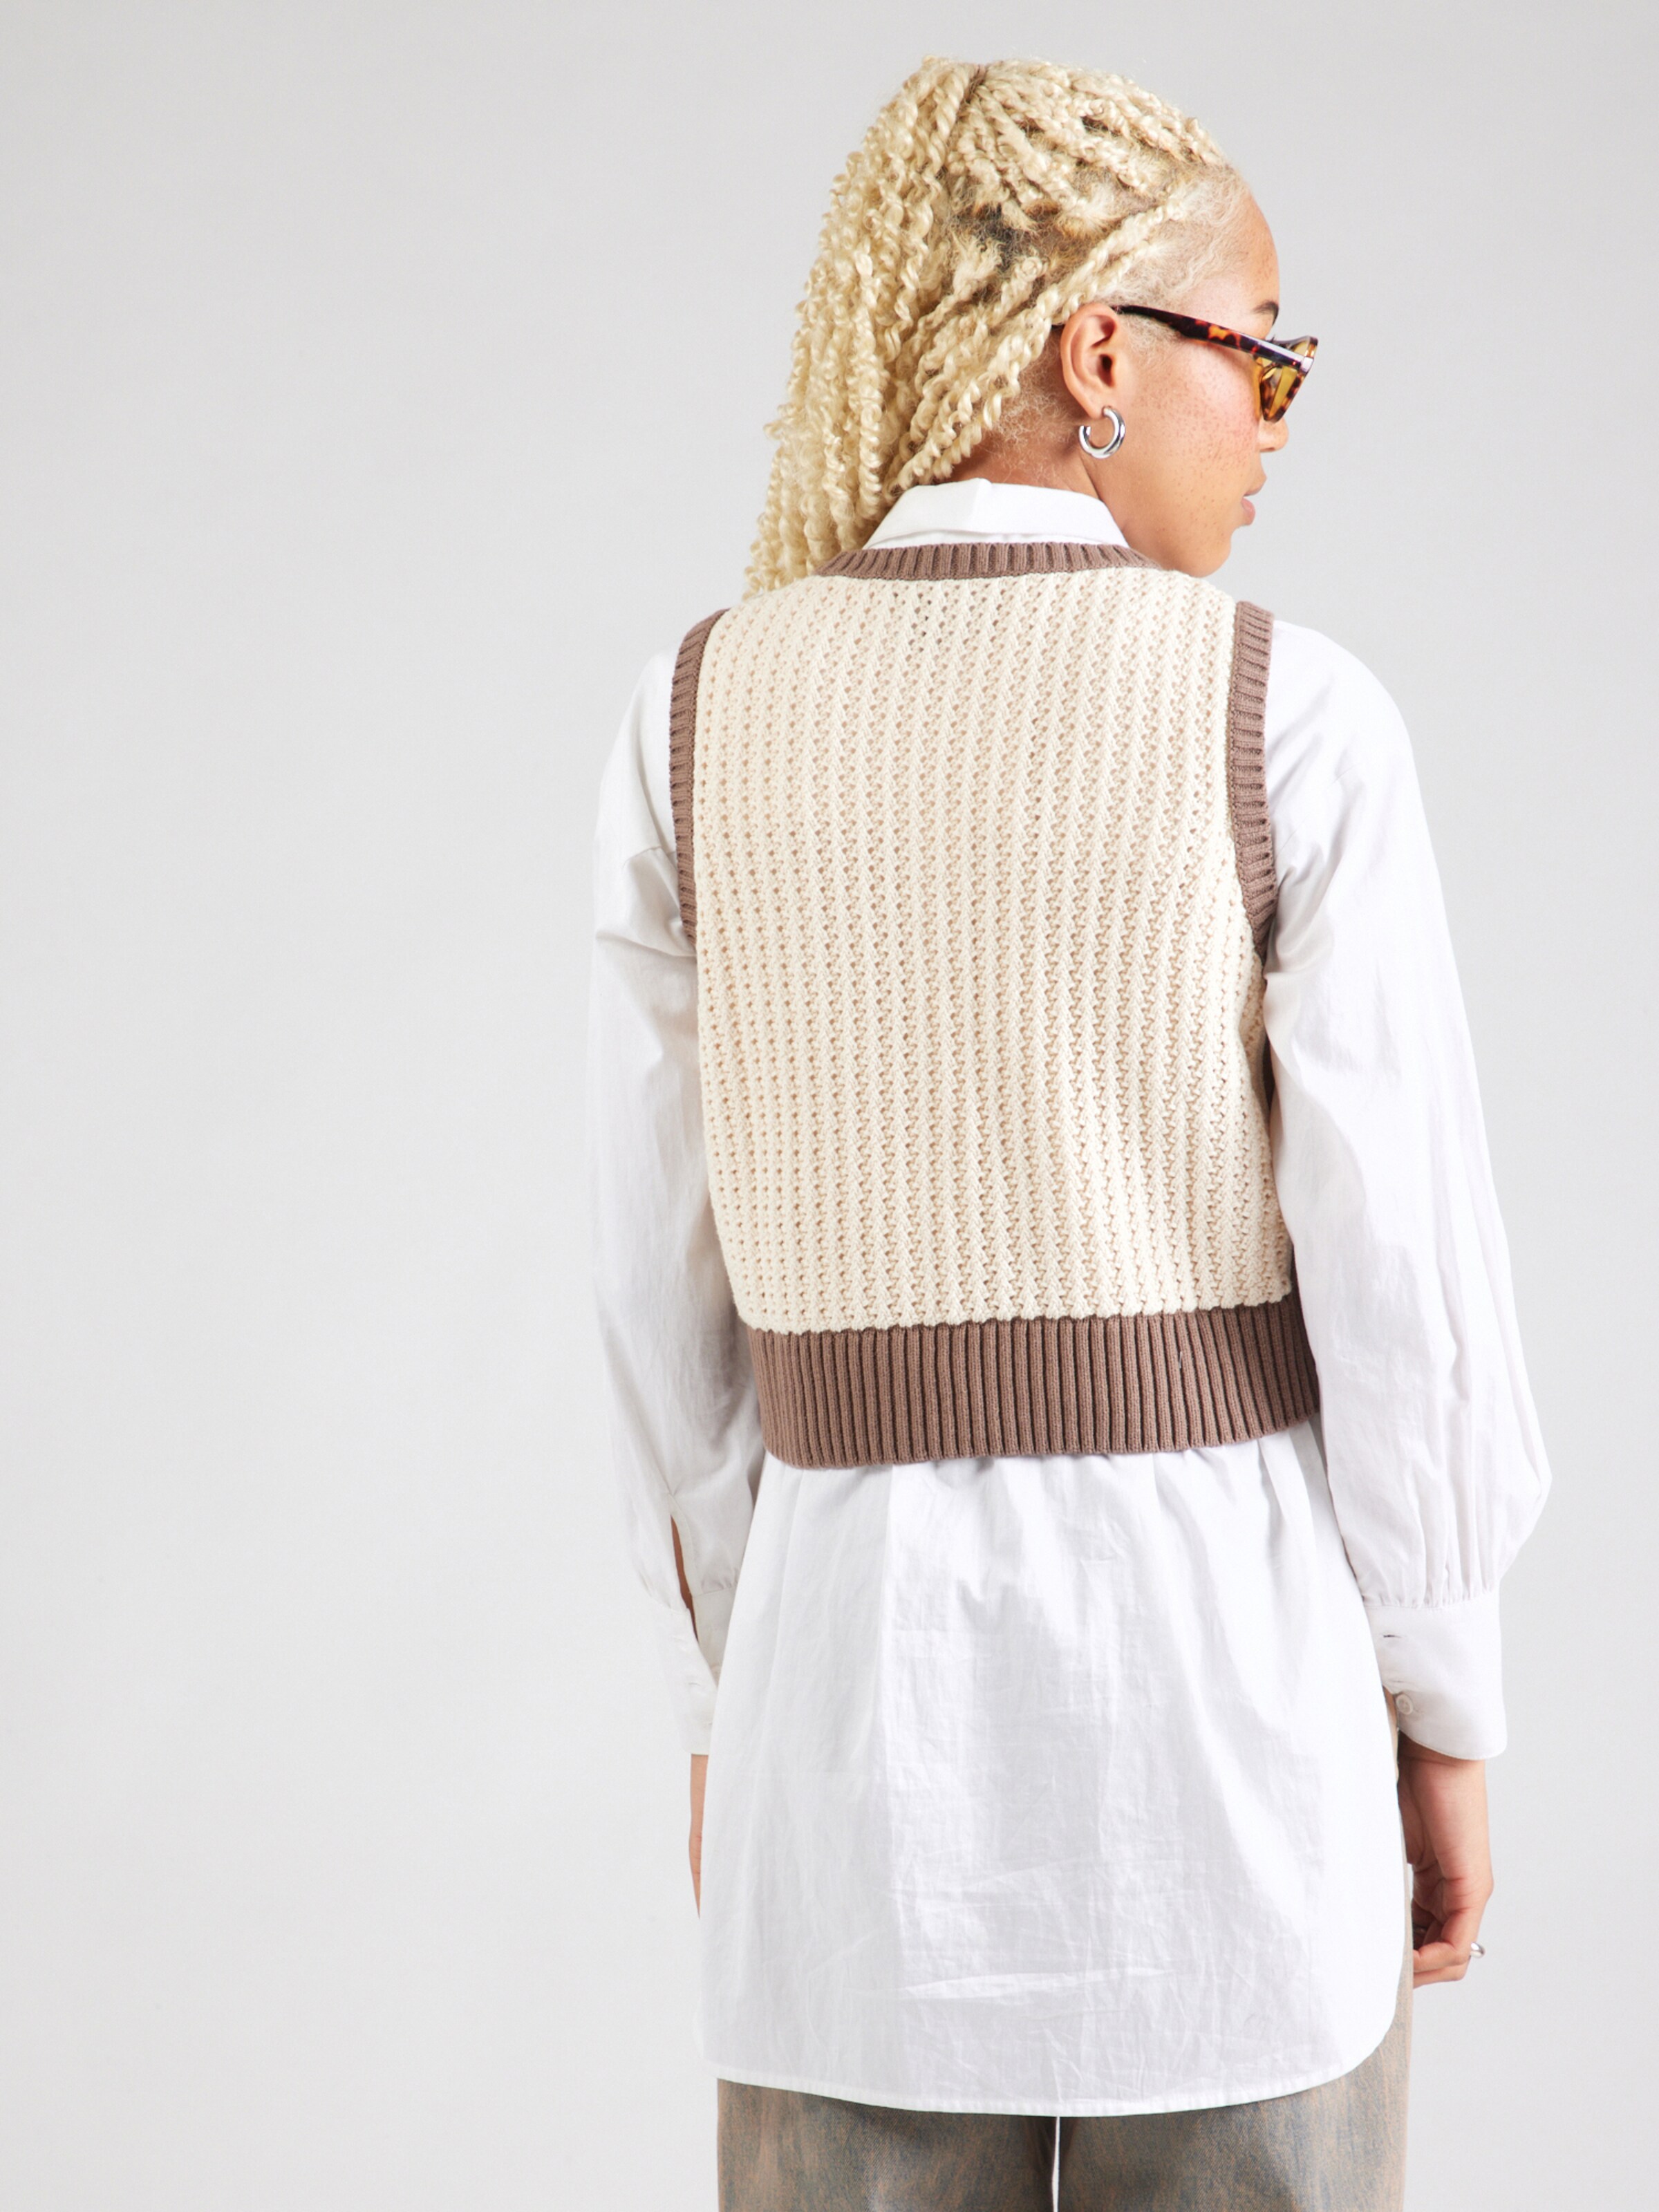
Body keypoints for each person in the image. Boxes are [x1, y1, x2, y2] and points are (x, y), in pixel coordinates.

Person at [586, 55, 1550, 2212]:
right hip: (1234, 1766)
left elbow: (661, 1318)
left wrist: (730, 1709)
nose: (1276, 424)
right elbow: (1405, 1289)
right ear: (1098, 354)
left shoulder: (692, 718)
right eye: (1260, 354)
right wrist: (1448, 1707)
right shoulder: (1285, 715)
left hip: (850, 1777)